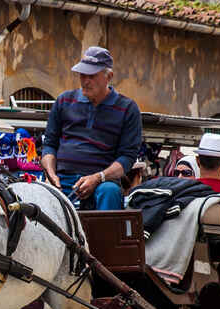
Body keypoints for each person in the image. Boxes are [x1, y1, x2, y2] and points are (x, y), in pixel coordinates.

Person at [40, 46, 144, 211]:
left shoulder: (128, 108)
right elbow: (49, 145)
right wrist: (51, 174)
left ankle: (106, 237)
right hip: (63, 180)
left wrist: (98, 178)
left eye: (92, 75)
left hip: (103, 183)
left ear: (108, 76)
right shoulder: (63, 101)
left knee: (109, 191)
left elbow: (127, 158)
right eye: (82, 75)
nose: (85, 81)